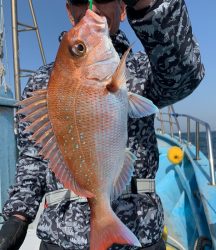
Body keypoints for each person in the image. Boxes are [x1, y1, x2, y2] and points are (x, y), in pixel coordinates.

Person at [0, 0, 205, 249]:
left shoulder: (143, 69)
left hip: (140, 230)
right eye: (79, 0)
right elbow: (33, 158)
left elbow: (184, 76)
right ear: (68, 10)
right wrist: (18, 215)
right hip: (60, 237)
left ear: (123, 9)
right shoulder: (41, 82)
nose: (92, 8)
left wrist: (147, 5)